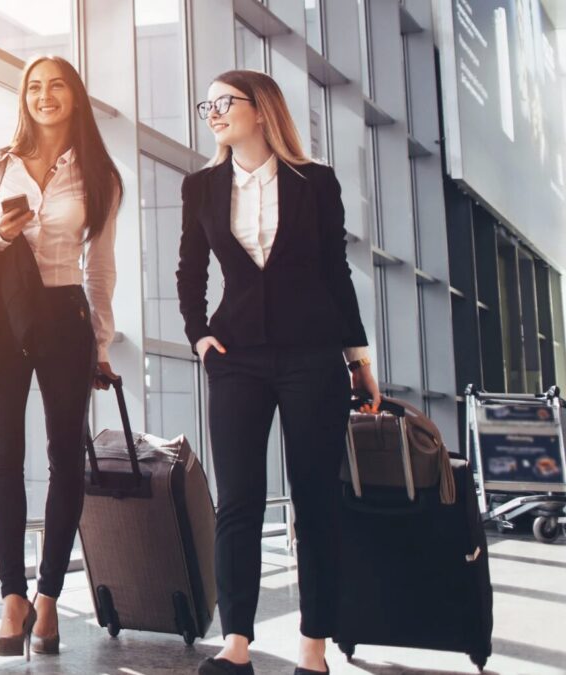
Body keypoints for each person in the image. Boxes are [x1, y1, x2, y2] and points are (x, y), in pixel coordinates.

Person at [176, 70, 382, 675]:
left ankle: (313, 647)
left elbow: (336, 273)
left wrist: (358, 359)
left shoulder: (314, 183)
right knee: (238, 500)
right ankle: (236, 641)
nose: (212, 113)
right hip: (235, 357)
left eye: (225, 102)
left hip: (312, 355)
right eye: (206, 104)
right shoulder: (201, 186)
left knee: (315, 501)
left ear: (262, 110)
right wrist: (198, 336)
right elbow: (190, 272)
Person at [0, 55, 122, 659]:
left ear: (74, 96)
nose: (44, 95)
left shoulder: (101, 175)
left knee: (65, 458)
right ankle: (12, 598)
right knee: (4, 457)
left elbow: (99, 271)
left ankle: (49, 596)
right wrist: (2, 233)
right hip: (3, 316)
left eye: (56, 86)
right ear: (23, 97)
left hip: (64, 318)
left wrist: (101, 346)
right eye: (33, 86)